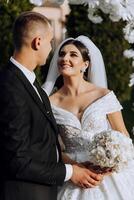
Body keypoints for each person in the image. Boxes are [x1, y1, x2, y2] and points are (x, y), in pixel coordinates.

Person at [0, 13, 103, 200]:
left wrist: (75, 165)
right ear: (38, 42)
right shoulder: (10, 86)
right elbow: (17, 161)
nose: (51, 49)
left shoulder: (33, 86)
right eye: (50, 42)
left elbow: (45, 143)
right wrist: (70, 172)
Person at [42, 35, 134, 200]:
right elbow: (53, 147)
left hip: (108, 176)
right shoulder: (49, 103)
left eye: (73, 55)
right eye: (62, 54)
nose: (65, 58)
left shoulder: (104, 95)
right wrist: (76, 168)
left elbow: (123, 136)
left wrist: (108, 168)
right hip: (74, 174)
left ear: (85, 65)